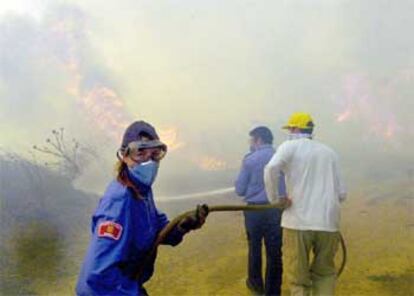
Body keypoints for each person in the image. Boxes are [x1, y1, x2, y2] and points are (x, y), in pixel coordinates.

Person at [76, 121, 208, 296]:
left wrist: (183, 225)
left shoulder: (142, 191)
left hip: (128, 284)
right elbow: (97, 279)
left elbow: (157, 228)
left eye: (155, 154)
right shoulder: (119, 202)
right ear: (124, 155)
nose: (149, 161)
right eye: (141, 152)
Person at [264, 113, 347, 296]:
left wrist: (276, 200)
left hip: (297, 222)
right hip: (328, 223)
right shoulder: (329, 152)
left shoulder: (289, 146)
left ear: (295, 129)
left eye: (290, 129)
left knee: (298, 279)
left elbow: (270, 169)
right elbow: (342, 194)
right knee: (324, 274)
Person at [235, 126, 288, 296]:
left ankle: (255, 285)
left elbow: (240, 189)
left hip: (254, 211)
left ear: (258, 140)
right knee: (274, 251)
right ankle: (273, 291)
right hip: (275, 210)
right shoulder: (282, 157)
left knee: (254, 247)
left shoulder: (250, 159)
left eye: (252, 140)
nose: (250, 144)